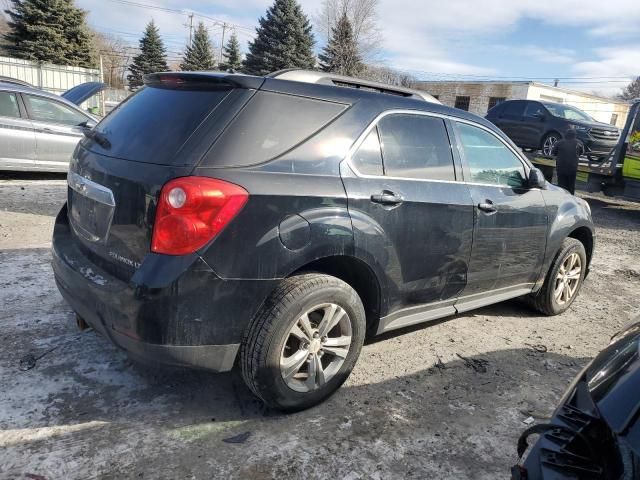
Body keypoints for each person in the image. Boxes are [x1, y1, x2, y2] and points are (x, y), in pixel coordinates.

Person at [551, 129, 579, 194]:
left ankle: (562, 198)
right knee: (571, 185)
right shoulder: (579, 143)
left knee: (561, 185)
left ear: (566, 134)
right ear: (575, 135)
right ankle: (570, 199)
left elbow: (553, 152)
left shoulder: (559, 142)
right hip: (572, 168)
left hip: (561, 168)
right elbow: (582, 152)